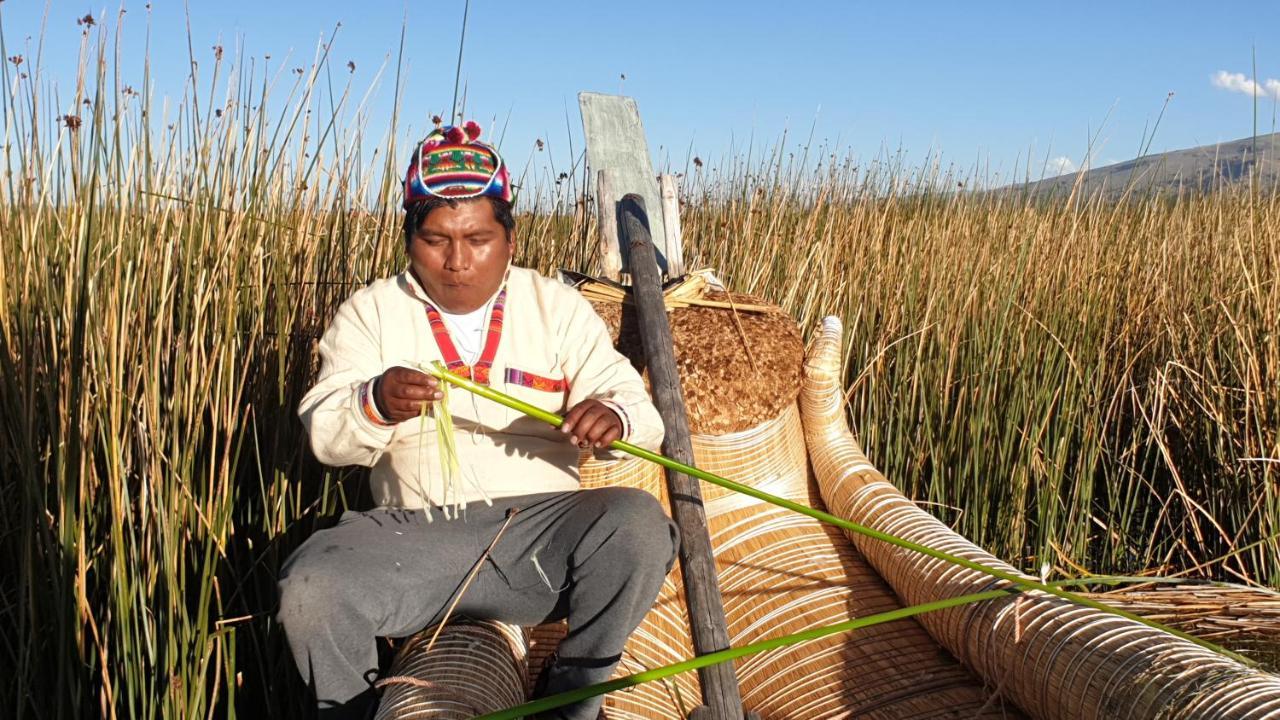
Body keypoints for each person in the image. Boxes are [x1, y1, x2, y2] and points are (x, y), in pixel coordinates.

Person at [277, 120, 678, 720]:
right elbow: (327, 433)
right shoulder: (371, 313)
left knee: (641, 527)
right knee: (309, 589)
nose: (457, 261)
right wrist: (376, 402)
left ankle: (571, 698)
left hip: (537, 540)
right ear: (410, 237)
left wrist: (613, 416)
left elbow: (640, 412)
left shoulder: (556, 308)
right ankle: (352, 711)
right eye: (436, 239)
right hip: (410, 538)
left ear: (510, 240)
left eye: (478, 238)